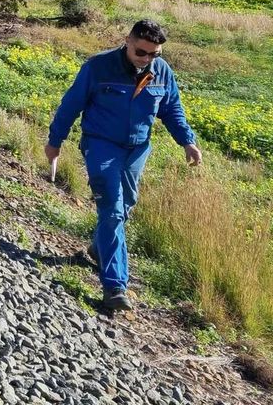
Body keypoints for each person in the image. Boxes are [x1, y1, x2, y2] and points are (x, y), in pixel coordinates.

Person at [46, 19, 202, 312]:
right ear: (127, 41)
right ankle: (115, 286)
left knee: (126, 204)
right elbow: (70, 105)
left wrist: (187, 141)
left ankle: (99, 247)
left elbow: (171, 109)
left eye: (154, 54)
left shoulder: (161, 72)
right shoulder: (98, 67)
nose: (147, 60)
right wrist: (55, 142)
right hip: (101, 145)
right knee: (113, 211)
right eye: (142, 52)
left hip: (137, 150)